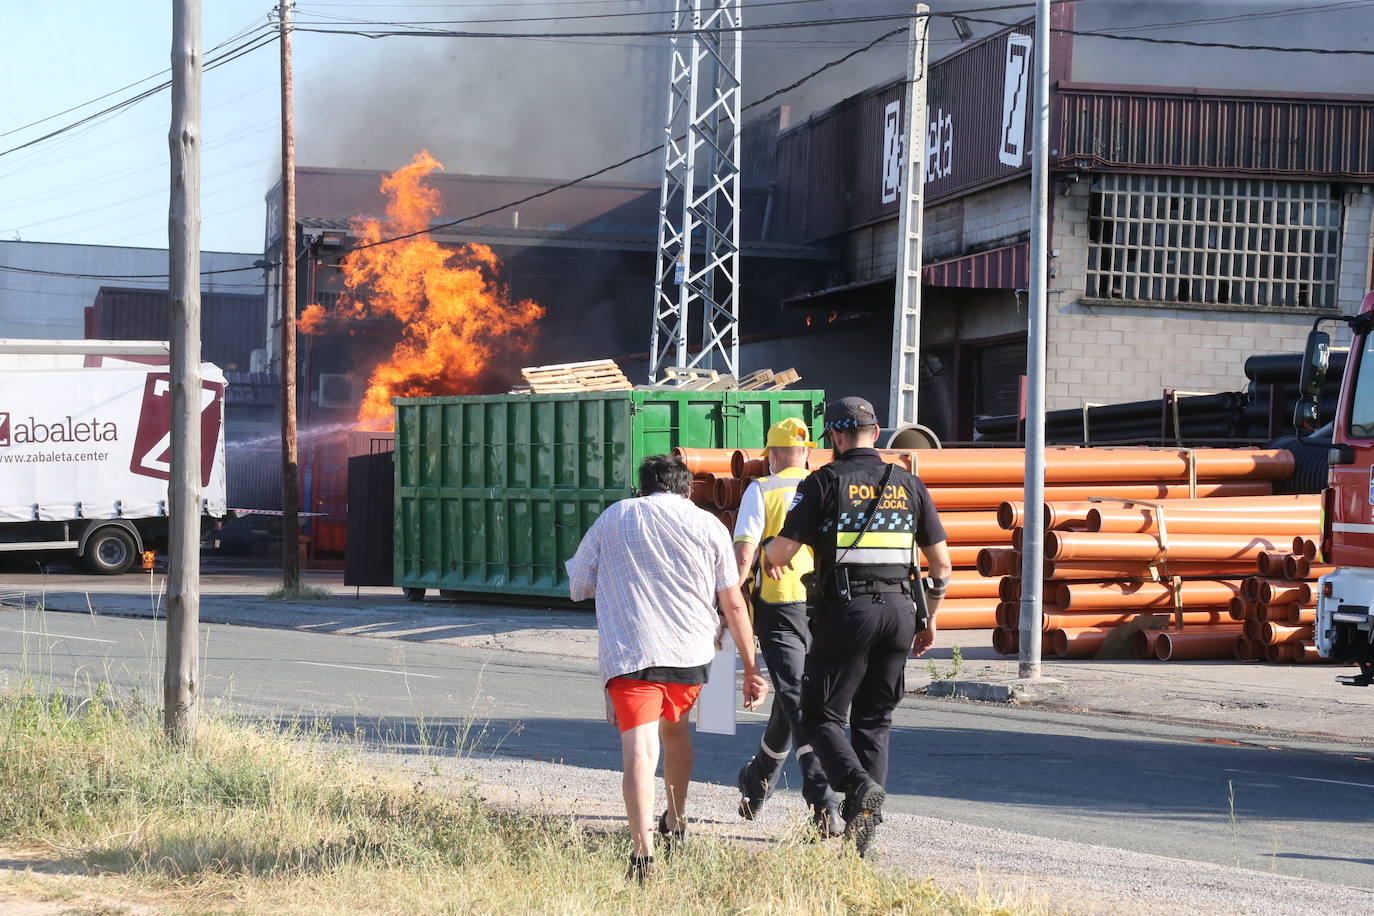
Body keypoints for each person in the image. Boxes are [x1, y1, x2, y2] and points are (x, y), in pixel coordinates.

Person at [567, 454, 769, 884]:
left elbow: (578, 584)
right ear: (688, 489)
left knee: (639, 751)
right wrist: (752, 667)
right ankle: (676, 822)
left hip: (632, 652)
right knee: (676, 733)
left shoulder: (615, 516)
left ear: (642, 487)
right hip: (691, 655)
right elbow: (733, 602)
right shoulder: (710, 525)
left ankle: (643, 855)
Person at [764, 397, 951, 857]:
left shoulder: (824, 481)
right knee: (875, 720)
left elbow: (781, 554)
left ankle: (857, 786)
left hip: (848, 612)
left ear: (836, 437)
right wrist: (929, 621)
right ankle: (862, 829)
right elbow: (942, 567)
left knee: (819, 714)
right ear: (877, 431)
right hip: (902, 613)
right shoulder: (910, 484)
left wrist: (767, 550)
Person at [732, 417, 841, 836]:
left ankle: (813, 796)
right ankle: (771, 785)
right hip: (825, 605)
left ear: (773, 455)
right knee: (796, 695)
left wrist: (727, 602)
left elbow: (743, 555)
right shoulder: (827, 486)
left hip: (779, 607)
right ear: (808, 452)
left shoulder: (761, 489)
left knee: (795, 699)